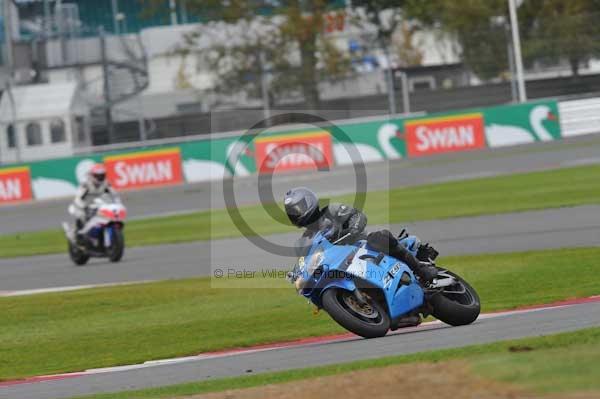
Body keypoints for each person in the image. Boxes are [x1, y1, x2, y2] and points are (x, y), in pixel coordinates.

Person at [284, 187, 439, 283]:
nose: (297, 214)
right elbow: (304, 261)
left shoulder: (330, 210)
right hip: (341, 264)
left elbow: (358, 216)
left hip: (362, 246)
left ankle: (420, 270)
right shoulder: (305, 240)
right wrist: (296, 273)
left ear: (309, 202)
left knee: (379, 236)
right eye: (292, 213)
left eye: (299, 208)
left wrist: (353, 228)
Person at [71, 163, 119, 232]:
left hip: (99, 204)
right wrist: (84, 207)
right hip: (85, 205)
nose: (101, 178)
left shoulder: (106, 183)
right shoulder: (86, 184)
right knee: (81, 216)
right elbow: (78, 198)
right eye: (98, 176)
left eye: (102, 175)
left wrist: (117, 203)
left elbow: (114, 194)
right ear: (93, 175)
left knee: (109, 216)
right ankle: (77, 232)